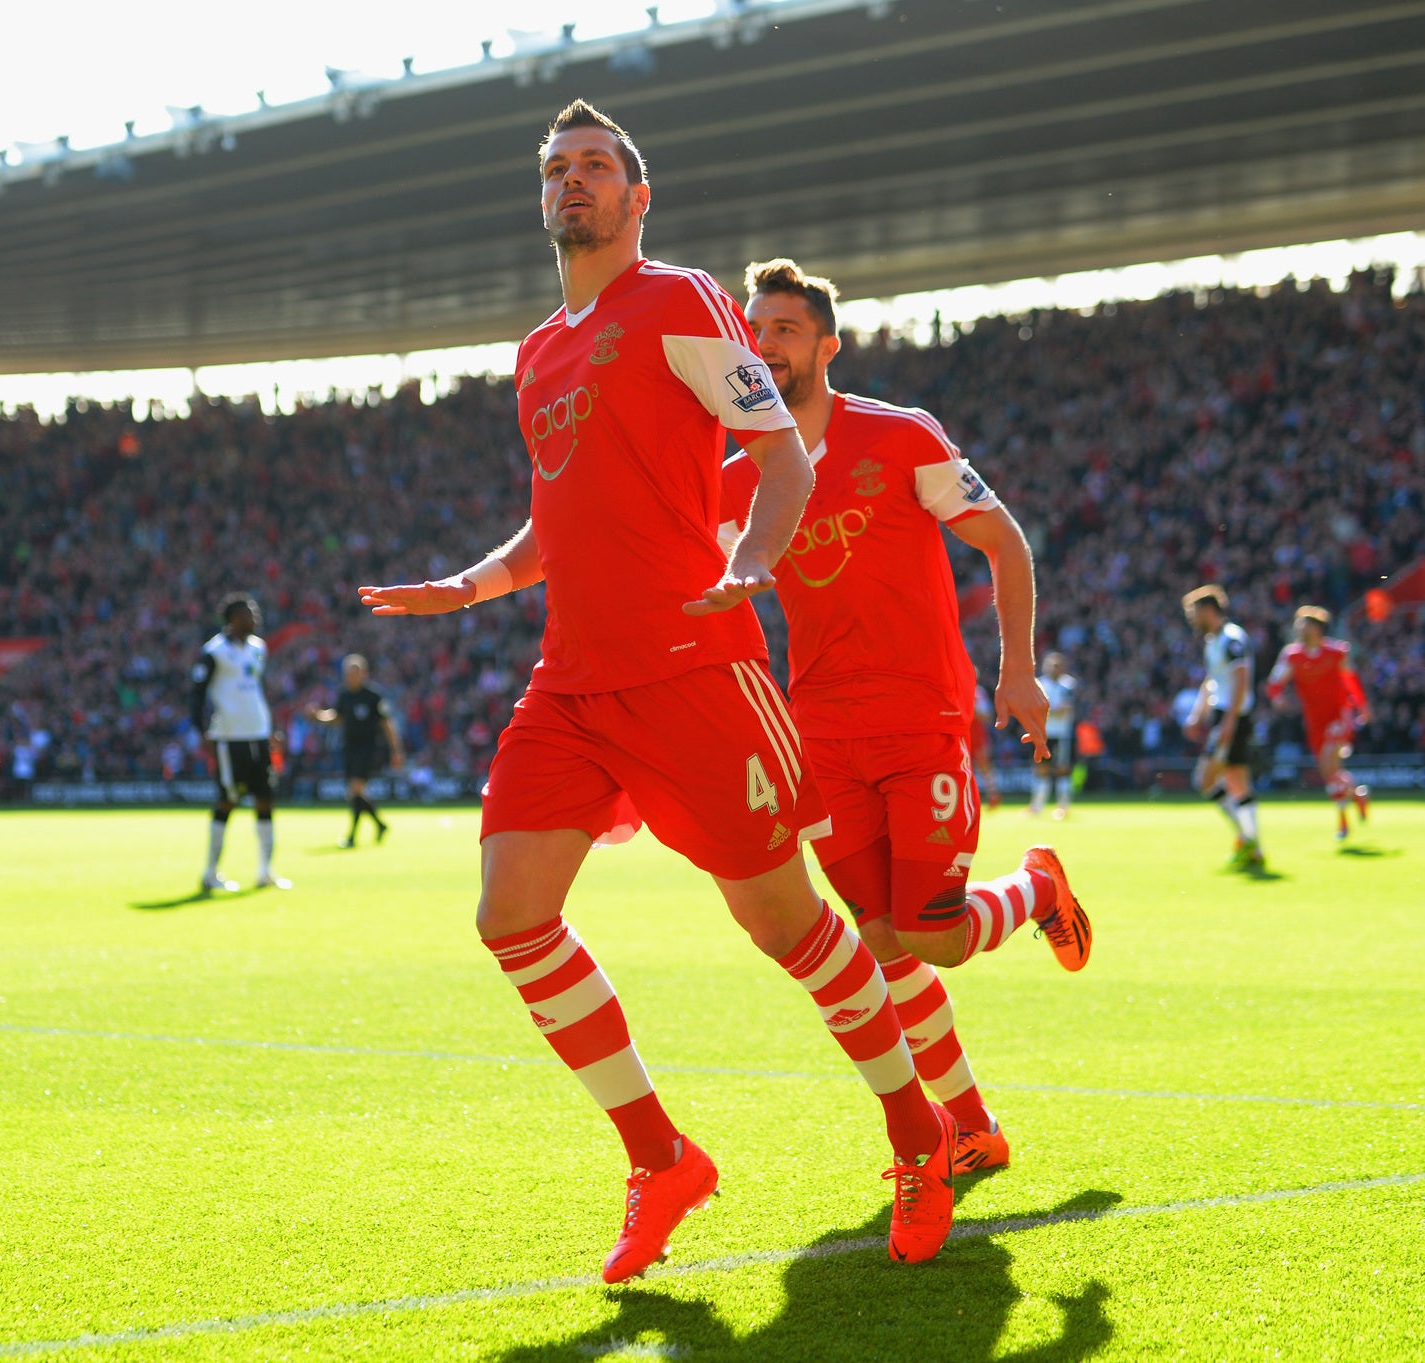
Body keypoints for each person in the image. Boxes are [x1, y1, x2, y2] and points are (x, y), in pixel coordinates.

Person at [357, 103, 958, 1281]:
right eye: (555, 169)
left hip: (696, 671)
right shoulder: (537, 351)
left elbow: (781, 451)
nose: (570, 182)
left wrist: (748, 562)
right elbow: (557, 512)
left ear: (638, 198)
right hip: (572, 682)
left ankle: (918, 1130)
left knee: (785, 927)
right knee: (508, 914)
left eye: (594, 167)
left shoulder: (680, 301)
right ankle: (660, 1157)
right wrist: (473, 584)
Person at [720, 257, 1092, 1177]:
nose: (765, 345)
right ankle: (971, 1125)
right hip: (824, 740)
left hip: (921, 716)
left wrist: (1019, 672)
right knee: (884, 945)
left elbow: (1003, 539)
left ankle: (1036, 889)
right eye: (754, 330)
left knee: (930, 936)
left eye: (786, 330)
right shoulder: (736, 484)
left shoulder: (899, 437)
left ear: (826, 346)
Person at [190, 593, 288, 892]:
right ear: (233, 619)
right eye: (249, 613)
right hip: (229, 737)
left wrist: (269, 728)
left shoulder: (258, 649)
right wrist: (201, 731)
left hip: (257, 734)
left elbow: (255, 691)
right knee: (227, 800)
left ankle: (265, 871)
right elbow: (196, 695)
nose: (255, 617)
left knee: (265, 799)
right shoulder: (214, 652)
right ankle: (210, 873)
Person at [1265, 605, 1371, 841]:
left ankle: (1343, 823)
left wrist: (1361, 707)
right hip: (1314, 722)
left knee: (1328, 763)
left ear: (1316, 628)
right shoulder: (1291, 655)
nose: (1298, 629)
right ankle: (1358, 795)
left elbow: (1350, 680)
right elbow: (1274, 684)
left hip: (1338, 716)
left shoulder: (1337, 652)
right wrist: (1277, 698)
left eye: (1303, 625)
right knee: (1331, 772)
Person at [1182, 585, 1265, 871]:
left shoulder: (1232, 639)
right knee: (1237, 781)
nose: (1192, 619)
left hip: (1234, 717)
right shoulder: (1213, 641)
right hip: (1226, 715)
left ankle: (1247, 839)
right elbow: (1212, 680)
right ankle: (1252, 845)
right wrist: (1198, 713)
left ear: (1208, 610)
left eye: (1194, 613)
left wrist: (1228, 722)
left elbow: (1241, 680)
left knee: (1205, 780)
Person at [310, 653, 403, 848]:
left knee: (355, 790)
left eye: (353, 673)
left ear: (363, 673)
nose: (350, 677)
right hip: (349, 748)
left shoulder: (373, 696)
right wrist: (318, 716)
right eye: (347, 674)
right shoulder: (344, 695)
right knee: (356, 792)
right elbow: (337, 717)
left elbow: (387, 724)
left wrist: (396, 750)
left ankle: (352, 836)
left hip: (368, 748)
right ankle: (380, 824)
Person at [1030, 651, 1077, 819]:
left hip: (1062, 734)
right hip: (1044, 734)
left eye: (1057, 666)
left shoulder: (1068, 685)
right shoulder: (1040, 684)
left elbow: (1067, 708)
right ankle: (1036, 806)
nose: (1054, 669)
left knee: (1062, 770)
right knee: (1041, 770)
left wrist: (1047, 711)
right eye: (1050, 665)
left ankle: (1063, 807)